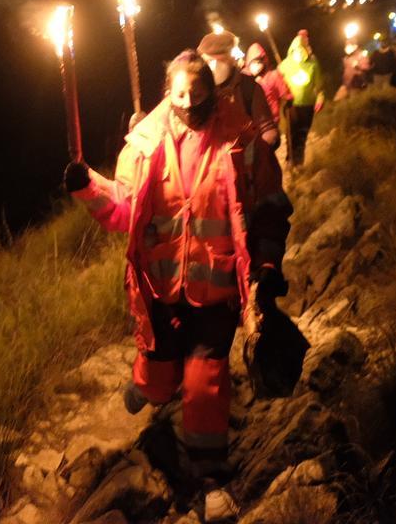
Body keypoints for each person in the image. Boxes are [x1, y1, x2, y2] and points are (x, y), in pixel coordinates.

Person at [64, 50, 283, 513]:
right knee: (159, 368)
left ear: (212, 92)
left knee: (205, 379)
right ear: (169, 92)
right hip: (158, 289)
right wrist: (89, 187)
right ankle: (151, 387)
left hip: (217, 290)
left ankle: (209, 476)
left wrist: (267, 264)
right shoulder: (144, 144)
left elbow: (268, 206)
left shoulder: (241, 142)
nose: (188, 101)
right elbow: (123, 210)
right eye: (180, 92)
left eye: (197, 92)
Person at [197, 31, 278, 148]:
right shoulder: (202, 89)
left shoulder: (248, 85)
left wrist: (255, 153)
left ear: (229, 58)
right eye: (206, 62)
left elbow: (267, 128)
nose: (210, 67)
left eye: (214, 61)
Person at [277, 29, 323, 166]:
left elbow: (319, 84)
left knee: (303, 133)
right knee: (291, 133)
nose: (299, 52)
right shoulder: (285, 65)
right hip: (291, 105)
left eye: (301, 49)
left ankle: (299, 160)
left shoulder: (313, 63)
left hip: (308, 104)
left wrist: (320, 98)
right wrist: (281, 94)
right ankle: (290, 159)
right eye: (296, 49)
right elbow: (277, 82)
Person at [243, 42, 293, 151]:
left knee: (268, 152)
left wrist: (288, 99)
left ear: (264, 61)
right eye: (252, 63)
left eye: (258, 62)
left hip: (271, 122)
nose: (256, 66)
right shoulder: (247, 81)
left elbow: (284, 92)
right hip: (254, 126)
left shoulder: (273, 76)